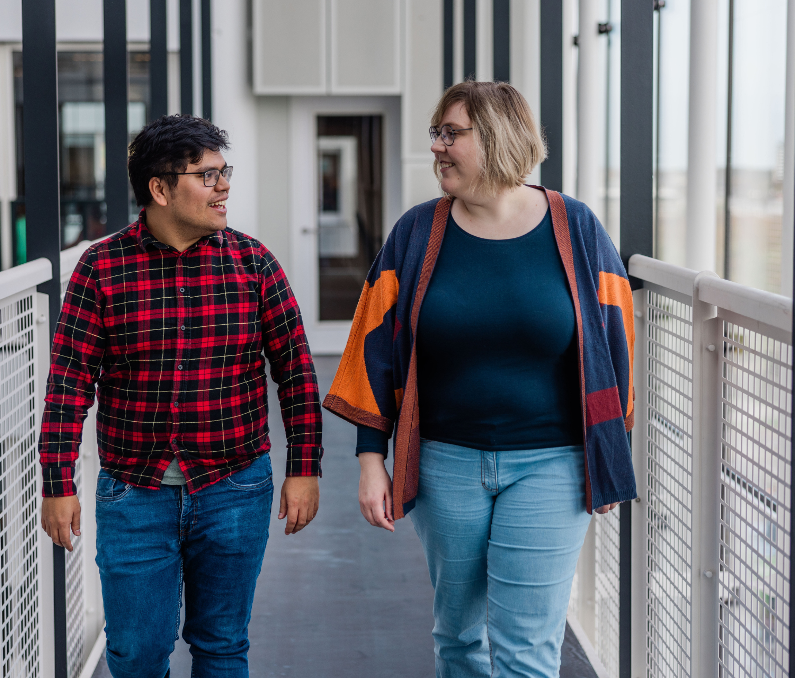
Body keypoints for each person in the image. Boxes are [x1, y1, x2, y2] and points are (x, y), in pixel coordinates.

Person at [323, 81, 636, 677]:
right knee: (460, 639)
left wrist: (608, 453)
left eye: (451, 134)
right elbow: (375, 345)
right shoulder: (417, 233)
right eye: (435, 134)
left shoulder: (577, 228)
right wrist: (371, 459)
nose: (437, 148)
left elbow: (616, 343)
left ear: (496, 138)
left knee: (526, 652)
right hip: (446, 464)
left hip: (553, 465)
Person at [38, 114, 323, 678]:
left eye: (224, 172)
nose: (224, 187)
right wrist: (57, 483)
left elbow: (295, 372)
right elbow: (69, 381)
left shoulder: (254, 264)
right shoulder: (102, 267)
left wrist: (304, 469)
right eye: (207, 174)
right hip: (133, 493)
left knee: (221, 645)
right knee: (136, 654)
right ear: (160, 189)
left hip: (235, 485)